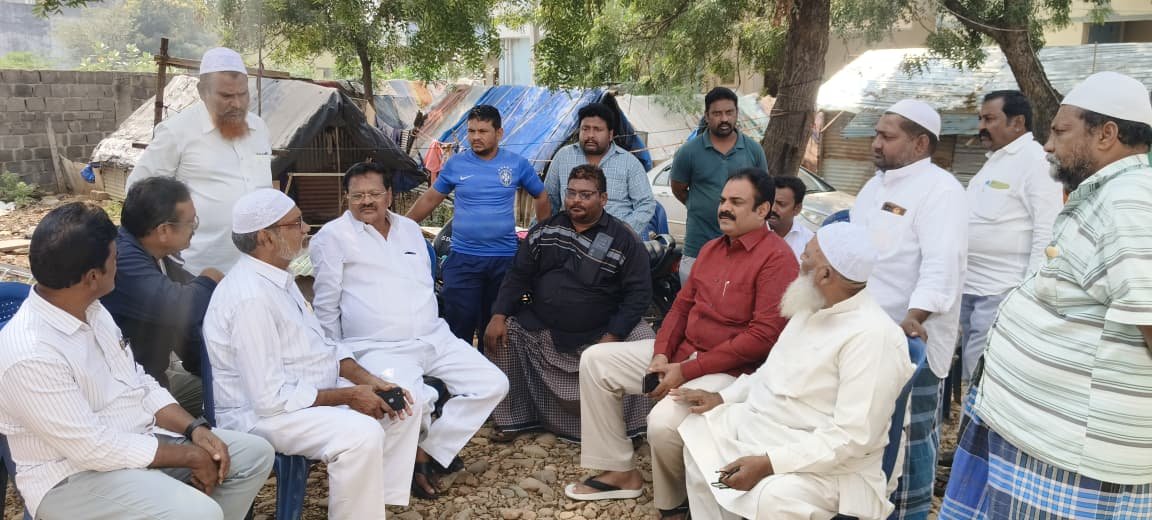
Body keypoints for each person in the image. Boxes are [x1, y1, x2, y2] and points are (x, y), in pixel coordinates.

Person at [940, 72, 1152, 519]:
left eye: (1060, 132)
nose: (1049, 146)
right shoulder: (1106, 195)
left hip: (1070, 454)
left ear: (1106, 134)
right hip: (1037, 435)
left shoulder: (1130, 201)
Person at [0, 202, 274, 520]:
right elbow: (92, 448)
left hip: (136, 440)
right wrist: (188, 455)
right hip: (71, 477)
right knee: (199, 512)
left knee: (253, 455)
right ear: (92, 276)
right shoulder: (30, 354)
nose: (121, 265)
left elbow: (139, 381)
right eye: (115, 259)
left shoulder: (92, 309)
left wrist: (195, 429)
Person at [566, 168, 797, 520]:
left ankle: (675, 501)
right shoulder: (712, 249)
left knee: (662, 424)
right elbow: (681, 307)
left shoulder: (777, 258)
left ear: (763, 209)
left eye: (736, 202)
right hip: (684, 353)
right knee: (597, 360)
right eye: (723, 200)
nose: (724, 208)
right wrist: (661, 354)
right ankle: (619, 471)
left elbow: (762, 337)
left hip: (731, 371)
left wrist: (687, 370)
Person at [203, 189, 421, 518]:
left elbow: (325, 348)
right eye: (296, 223)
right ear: (266, 237)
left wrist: (371, 382)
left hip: (299, 394)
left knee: (402, 400)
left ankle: (373, 504)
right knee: (360, 435)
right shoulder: (250, 298)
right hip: (258, 417)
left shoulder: (279, 279)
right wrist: (349, 396)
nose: (306, 229)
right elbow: (268, 399)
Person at [677, 222, 915, 520]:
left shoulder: (873, 337)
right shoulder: (813, 305)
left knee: (771, 497)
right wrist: (723, 398)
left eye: (807, 256)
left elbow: (852, 438)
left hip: (828, 466)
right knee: (698, 435)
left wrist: (770, 463)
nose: (799, 260)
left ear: (825, 275)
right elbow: (770, 372)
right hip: (768, 429)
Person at [309, 162, 509, 499]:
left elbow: (424, 283)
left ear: (389, 195)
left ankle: (428, 452)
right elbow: (325, 308)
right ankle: (391, 489)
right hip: (378, 346)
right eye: (357, 195)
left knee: (493, 384)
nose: (366, 201)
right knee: (405, 402)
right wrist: (339, 362)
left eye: (374, 193)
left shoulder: (409, 229)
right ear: (347, 198)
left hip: (434, 336)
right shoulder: (332, 237)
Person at [849, 99, 967, 520]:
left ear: (920, 143)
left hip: (911, 341)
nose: (876, 143)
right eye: (876, 134)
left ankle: (911, 512)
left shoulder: (942, 191)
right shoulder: (874, 187)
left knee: (911, 436)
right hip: (865, 335)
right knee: (872, 435)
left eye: (887, 136)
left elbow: (941, 266)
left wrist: (913, 318)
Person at [483, 165, 653, 442]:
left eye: (586, 195)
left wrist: (614, 335)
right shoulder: (545, 230)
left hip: (601, 332)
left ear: (603, 198)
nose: (576, 200)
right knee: (503, 332)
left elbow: (639, 294)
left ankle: (630, 429)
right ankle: (516, 420)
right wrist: (499, 314)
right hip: (544, 331)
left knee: (645, 340)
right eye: (571, 193)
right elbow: (518, 275)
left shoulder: (623, 240)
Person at [406, 105, 551, 350]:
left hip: (504, 261)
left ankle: (492, 373)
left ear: (499, 133)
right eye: (471, 131)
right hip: (463, 259)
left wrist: (541, 239)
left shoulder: (517, 164)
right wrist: (401, 226)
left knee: (495, 331)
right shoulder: (456, 164)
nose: (475, 137)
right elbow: (431, 198)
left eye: (483, 131)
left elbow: (542, 196)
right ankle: (457, 373)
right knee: (457, 328)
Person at [128, 47, 272, 274]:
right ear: (202, 91)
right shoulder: (177, 131)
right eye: (226, 96)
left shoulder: (259, 128)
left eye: (243, 94)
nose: (237, 104)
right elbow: (138, 192)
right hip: (196, 269)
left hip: (256, 264)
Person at [959, 90, 1062, 382]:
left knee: (984, 375)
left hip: (1002, 290)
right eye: (980, 119)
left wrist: (1030, 293)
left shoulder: (1036, 162)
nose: (981, 127)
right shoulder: (994, 161)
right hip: (969, 285)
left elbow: (1048, 230)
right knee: (970, 371)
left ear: (1017, 122)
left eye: (990, 119)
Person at [101, 176, 223, 417]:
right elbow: (180, 307)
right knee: (222, 404)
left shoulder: (157, 256)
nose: (194, 228)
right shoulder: (123, 260)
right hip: (126, 394)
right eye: (190, 222)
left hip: (155, 378)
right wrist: (211, 277)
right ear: (164, 230)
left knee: (224, 390)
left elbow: (186, 323)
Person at [670, 87, 768, 284]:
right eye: (717, 113)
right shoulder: (689, 152)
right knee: (693, 300)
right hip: (699, 246)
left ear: (736, 114)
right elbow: (678, 188)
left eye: (729, 112)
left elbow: (762, 192)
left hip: (743, 248)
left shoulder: (753, 150)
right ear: (707, 116)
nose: (724, 119)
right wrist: (700, 205)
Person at [546, 102, 656, 234]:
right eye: (585, 129)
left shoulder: (629, 163)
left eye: (597, 129)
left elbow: (646, 204)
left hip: (615, 239)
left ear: (610, 134)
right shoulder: (563, 157)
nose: (590, 135)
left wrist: (621, 233)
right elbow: (549, 200)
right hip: (570, 237)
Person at [768, 175, 814, 262]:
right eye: (770, 202)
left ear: (797, 209)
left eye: (781, 204)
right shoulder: (750, 233)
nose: (773, 208)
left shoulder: (808, 241)